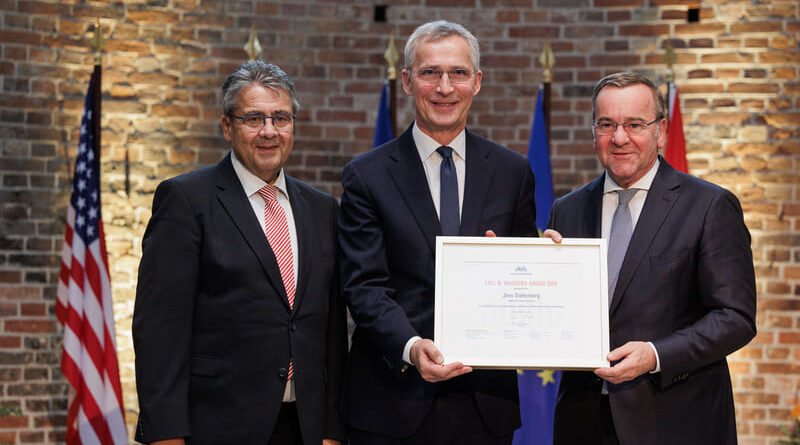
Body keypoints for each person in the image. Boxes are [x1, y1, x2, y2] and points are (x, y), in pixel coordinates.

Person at [338, 20, 537, 445]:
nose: (445, 87)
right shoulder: (366, 176)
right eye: (430, 73)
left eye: (458, 73)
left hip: (484, 408)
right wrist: (411, 346)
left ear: (477, 82)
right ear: (408, 81)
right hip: (393, 402)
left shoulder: (512, 173)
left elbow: (524, 277)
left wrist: (545, 262)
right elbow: (364, 286)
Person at [132, 61, 347, 445]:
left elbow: (330, 331)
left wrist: (332, 428)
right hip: (216, 425)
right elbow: (160, 331)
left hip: (304, 426)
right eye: (253, 118)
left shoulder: (322, 208)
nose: (269, 131)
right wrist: (166, 435)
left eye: (281, 117)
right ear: (227, 126)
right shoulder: (186, 200)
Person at [545, 71, 757, 445]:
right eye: (607, 124)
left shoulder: (709, 206)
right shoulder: (567, 210)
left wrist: (655, 355)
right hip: (583, 421)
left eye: (635, 124)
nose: (620, 137)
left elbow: (735, 318)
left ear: (660, 132)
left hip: (676, 420)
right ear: (594, 132)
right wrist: (531, 272)